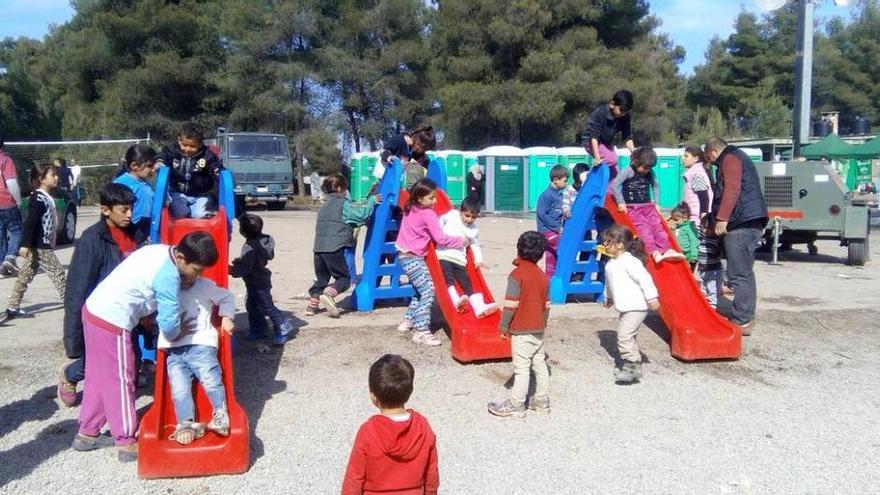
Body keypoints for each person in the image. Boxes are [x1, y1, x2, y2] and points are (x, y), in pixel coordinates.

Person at [71, 231, 218, 462]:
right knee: (122, 378)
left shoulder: (158, 250)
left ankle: (87, 432)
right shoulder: (169, 277)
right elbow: (169, 324)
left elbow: (135, 282)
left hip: (94, 310)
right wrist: (179, 331)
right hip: (113, 319)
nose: (197, 277)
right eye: (196, 270)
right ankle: (127, 441)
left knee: (99, 377)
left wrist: (144, 315)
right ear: (181, 258)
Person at [58, 184, 147, 408]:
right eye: (123, 210)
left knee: (130, 356)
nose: (129, 215)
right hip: (102, 312)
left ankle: (122, 388)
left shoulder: (135, 234)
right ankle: (70, 375)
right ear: (106, 210)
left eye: (131, 210)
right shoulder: (92, 240)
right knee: (97, 360)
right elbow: (79, 287)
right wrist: (74, 335)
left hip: (129, 310)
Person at [341, 354, 439, 495]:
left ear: (373, 397)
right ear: (410, 391)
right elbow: (431, 474)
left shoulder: (368, 432)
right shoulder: (422, 427)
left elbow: (354, 478)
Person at [160, 275, 235, 445]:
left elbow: (227, 297)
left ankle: (220, 415)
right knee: (179, 388)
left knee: (210, 379)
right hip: (174, 349)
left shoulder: (204, 285)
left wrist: (227, 317)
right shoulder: (166, 286)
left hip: (200, 344)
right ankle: (186, 422)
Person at [704, 137, 768, 335]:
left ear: (714, 152)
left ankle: (742, 320)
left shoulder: (730, 158)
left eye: (710, 158)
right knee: (742, 272)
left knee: (739, 273)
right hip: (746, 220)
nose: (712, 163)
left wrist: (722, 218)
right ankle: (743, 316)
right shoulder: (736, 157)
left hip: (741, 224)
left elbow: (732, 189)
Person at [395, 179, 465, 347]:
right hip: (414, 257)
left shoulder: (410, 207)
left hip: (403, 255)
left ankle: (408, 321)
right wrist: (461, 241)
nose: (435, 201)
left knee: (420, 290)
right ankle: (422, 331)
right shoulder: (428, 214)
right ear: (420, 198)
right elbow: (440, 238)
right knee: (428, 291)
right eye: (431, 198)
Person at [488, 231, 550, 417]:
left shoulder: (516, 275)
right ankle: (542, 401)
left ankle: (516, 403)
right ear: (541, 254)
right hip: (538, 328)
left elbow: (511, 304)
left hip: (521, 329)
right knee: (539, 364)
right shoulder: (542, 276)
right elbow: (546, 306)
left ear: (518, 250)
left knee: (521, 368)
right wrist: (542, 324)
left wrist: (503, 326)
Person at [306, 174, 381, 318]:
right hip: (334, 248)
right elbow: (360, 215)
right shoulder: (343, 204)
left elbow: (339, 222)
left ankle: (311, 306)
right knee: (343, 279)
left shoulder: (324, 207)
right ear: (340, 188)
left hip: (318, 248)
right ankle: (329, 295)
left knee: (321, 279)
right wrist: (372, 201)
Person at [0, 163, 66, 323]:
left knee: (24, 276)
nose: (57, 178)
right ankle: (72, 304)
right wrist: (24, 244)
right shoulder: (37, 198)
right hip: (41, 246)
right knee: (59, 274)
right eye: (53, 175)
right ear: (41, 179)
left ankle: (12, 306)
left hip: (40, 246)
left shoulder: (46, 197)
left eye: (56, 175)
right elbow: (30, 223)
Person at [601, 225, 660, 384]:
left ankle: (631, 366)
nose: (605, 245)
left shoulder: (630, 261)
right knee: (629, 337)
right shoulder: (610, 264)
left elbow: (645, 278)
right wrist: (609, 297)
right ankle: (635, 368)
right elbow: (609, 284)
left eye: (608, 242)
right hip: (624, 307)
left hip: (636, 306)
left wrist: (652, 297)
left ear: (619, 245)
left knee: (624, 336)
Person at [611, 146, 685, 264]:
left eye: (649, 168)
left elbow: (655, 186)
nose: (646, 170)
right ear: (635, 161)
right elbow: (615, 185)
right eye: (644, 167)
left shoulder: (650, 172)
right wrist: (621, 202)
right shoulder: (628, 171)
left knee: (658, 228)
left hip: (648, 207)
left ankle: (667, 250)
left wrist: (656, 203)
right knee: (644, 230)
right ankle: (654, 252)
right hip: (633, 208)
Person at [230, 213, 295, 346]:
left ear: (242, 231)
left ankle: (283, 326)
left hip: (258, 282)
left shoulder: (250, 247)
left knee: (267, 307)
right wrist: (241, 261)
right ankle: (259, 329)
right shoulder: (262, 241)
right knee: (252, 306)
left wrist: (231, 269)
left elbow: (246, 268)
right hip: (257, 280)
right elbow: (255, 261)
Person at [436, 196, 498, 317]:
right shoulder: (452, 215)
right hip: (444, 254)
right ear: (461, 212)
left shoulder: (473, 230)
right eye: (467, 215)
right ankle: (455, 300)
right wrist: (438, 230)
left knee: (466, 282)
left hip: (460, 259)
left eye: (473, 217)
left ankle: (479, 307)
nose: (469, 220)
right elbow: (441, 219)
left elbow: (475, 245)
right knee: (448, 278)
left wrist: (478, 259)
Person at [155, 123, 222, 219]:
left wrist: (217, 170)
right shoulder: (172, 151)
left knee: (200, 214)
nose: (188, 149)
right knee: (180, 213)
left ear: (200, 144)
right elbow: (164, 156)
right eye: (184, 145)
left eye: (193, 146)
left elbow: (215, 165)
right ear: (179, 140)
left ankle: (196, 217)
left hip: (200, 195)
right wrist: (160, 162)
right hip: (177, 193)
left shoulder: (207, 155)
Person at [583, 90, 635, 177]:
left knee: (614, 172)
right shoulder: (600, 113)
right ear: (612, 104)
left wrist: (634, 153)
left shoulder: (625, 117)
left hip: (606, 143)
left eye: (626, 111)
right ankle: (588, 176)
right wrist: (597, 157)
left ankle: (609, 190)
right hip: (591, 142)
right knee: (611, 159)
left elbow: (627, 137)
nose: (623, 114)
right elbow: (594, 136)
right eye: (621, 110)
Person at [113, 143, 157, 238]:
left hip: (146, 232)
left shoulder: (148, 183)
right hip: (130, 233)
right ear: (134, 166)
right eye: (149, 166)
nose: (153, 169)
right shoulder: (121, 183)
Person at [535, 165, 569, 277]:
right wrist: (557, 228)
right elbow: (542, 214)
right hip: (546, 231)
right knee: (562, 245)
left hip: (553, 230)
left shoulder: (559, 195)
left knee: (551, 258)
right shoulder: (546, 196)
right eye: (565, 181)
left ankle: (550, 282)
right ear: (555, 180)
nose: (566, 183)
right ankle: (567, 274)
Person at [372, 126, 437, 184]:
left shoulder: (418, 152)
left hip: (397, 180)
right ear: (418, 143)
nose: (424, 151)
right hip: (382, 177)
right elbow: (383, 151)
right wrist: (388, 156)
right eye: (424, 149)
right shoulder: (399, 140)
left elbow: (425, 164)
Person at [0, 133, 23, 277]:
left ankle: (1, 265)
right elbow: (11, 183)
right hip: (6, 201)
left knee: (0, 233)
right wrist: (18, 201)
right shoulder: (6, 160)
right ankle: (10, 257)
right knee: (17, 228)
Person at [682, 146, 713, 222]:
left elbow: (703, 195)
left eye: (686, 156)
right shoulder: (694, 173)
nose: (683, 159)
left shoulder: (697, 174)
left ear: (696, 159)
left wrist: (703, 214)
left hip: (697, 218)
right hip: (694, 216)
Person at [698, 216, 723, 309]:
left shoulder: (716, 241)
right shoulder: (702, 238)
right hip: (702, 270)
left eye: (708, 228)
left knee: (712, 289)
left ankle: (713, 308)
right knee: (703, 289)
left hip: (713, 270)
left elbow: (719, 253)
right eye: (703, 227)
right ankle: (705, 306)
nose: (705, 230)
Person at [668, 202, 699, 268]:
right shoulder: (679, 227)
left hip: (688, 255)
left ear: (685, 218)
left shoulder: (689, 228)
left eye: (676, 220)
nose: (675, 222)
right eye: (673, 219)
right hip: (680, 253)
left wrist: (693, 256)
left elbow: (694, 241)